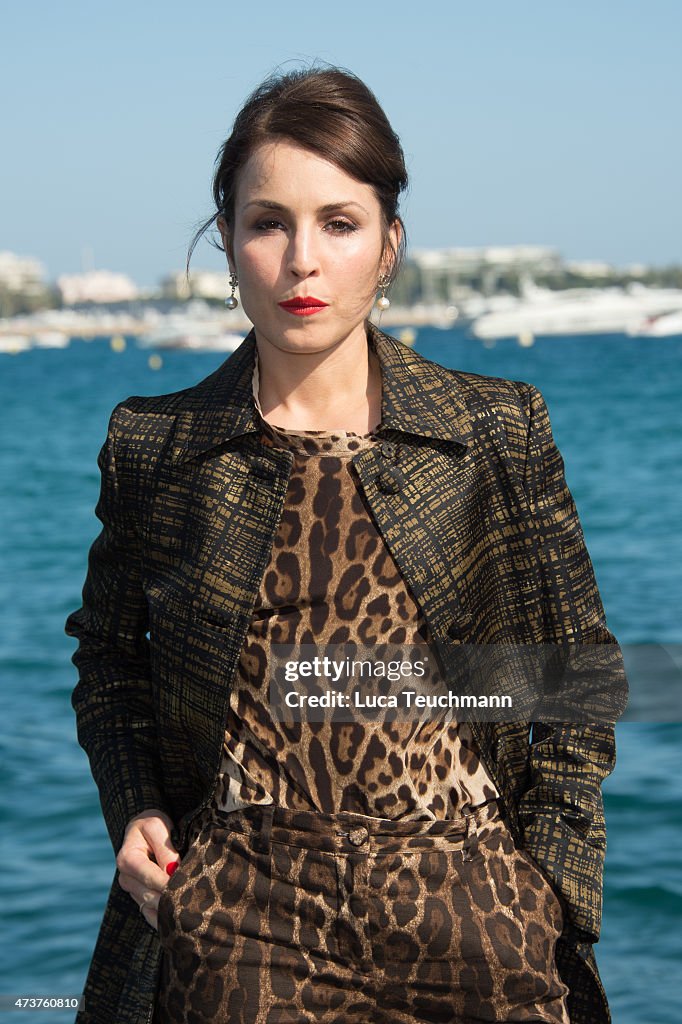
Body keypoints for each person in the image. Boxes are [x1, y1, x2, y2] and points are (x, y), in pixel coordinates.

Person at [65, 65, 627, 1024]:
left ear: (388, 242)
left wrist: (554, 892)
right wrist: (140, 812)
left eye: (338, 221)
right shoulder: (156, 444)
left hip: (478, 914)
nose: (301, 262)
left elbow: (576, 678)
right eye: (267, 222)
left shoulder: (495, 428)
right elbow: (111, 658)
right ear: (227, 241)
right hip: (245, 919)